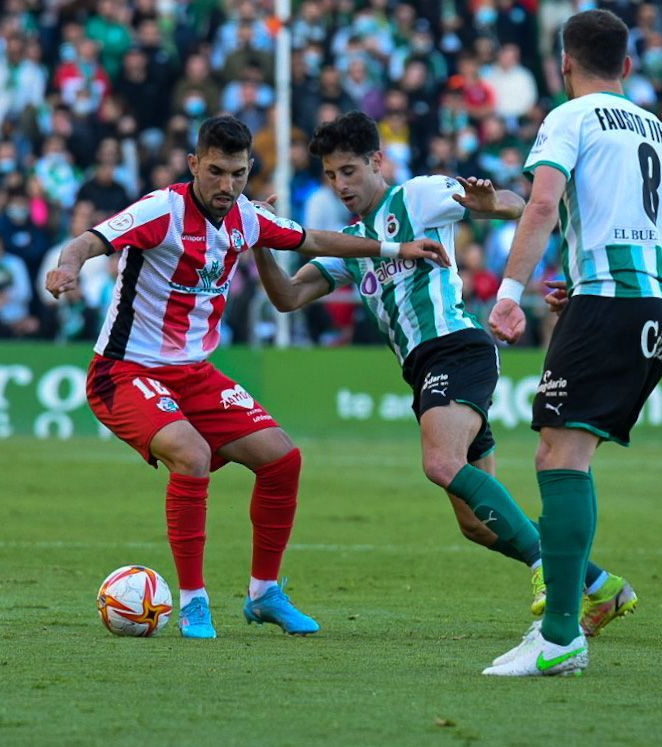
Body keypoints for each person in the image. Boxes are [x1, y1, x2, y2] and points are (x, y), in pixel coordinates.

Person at [44, 115, 447, 640]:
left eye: (237, 174)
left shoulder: (247, 219)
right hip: (123, 371)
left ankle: (264, 593)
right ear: (194, 165)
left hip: (195, 374)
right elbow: (91, 240)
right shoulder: (161, 210)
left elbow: (315, 241)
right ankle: (192, 602)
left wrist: (396, 248)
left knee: (283, 460)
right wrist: (67, 266)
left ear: (248, 170)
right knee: (190, 455)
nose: (226, 185)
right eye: (215, 172)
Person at [250, 110, 635, 634]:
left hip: (457, 347)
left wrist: (487, 205)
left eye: (348, 171)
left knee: (439, 462)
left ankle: (550, 571)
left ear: (375, 162)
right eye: (330, 175)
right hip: (426, 368)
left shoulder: (420, 195)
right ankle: (601, 586)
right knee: (476, 524)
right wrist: (261, 247)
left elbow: (519, 204)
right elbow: (288, 297)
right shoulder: (354, 244)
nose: (340, 185)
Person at [482, 9, 662, 677]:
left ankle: (558, 636)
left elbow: (541, 204)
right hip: (659, 308)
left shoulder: (569, 117)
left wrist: (507, 294)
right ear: (627, 67)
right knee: (560, 450)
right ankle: (565, 622)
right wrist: (587, 286)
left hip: (612, 301)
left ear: (563, 65)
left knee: (560, 456)